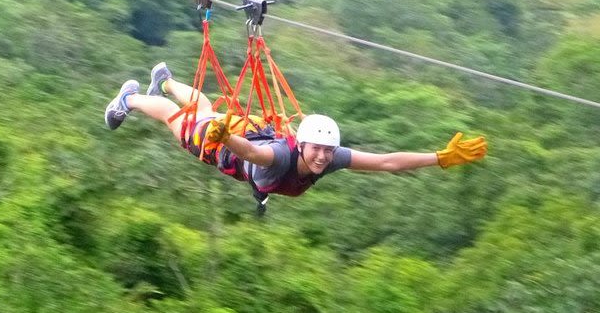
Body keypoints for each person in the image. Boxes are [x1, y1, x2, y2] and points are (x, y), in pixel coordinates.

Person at [105, 62, 487, 207]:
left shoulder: (329, 158)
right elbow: (255, 157)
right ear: (301, 145)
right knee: (177, 120)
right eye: (317, 150)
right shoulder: (285, 156)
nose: (322, 157)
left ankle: (166, 79)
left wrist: (439, 158)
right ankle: (132, 97)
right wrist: (224, 138)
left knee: (203, 106)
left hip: (241, 133)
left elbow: (386, 162)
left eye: (327, 151)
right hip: (224, 144)